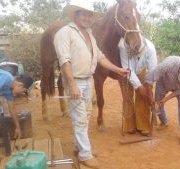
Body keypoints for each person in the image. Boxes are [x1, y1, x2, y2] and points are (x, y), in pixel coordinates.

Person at [53, 2, 129, 169]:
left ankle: (78, 148)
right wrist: (72, 85)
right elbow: (64, 61)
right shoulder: (64, 33)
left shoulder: (89, 33)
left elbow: (100, 57)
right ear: (75, 15)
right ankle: (85, 154)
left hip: (88, 80)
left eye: (89, 15)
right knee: (80, 118)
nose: (87, 18)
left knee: (85, 116)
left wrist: (118, 69)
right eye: (84, 14)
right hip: (75, 81)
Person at [145, 56, 180, 146]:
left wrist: (165, 100)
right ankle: (164, 122)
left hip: (179, 88)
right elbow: (149, 79)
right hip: (163, 82)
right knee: (157, 102)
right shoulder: (167, 65)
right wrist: (150, 97)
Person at [118, 37, 158, 136]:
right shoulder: (123, 45)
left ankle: (143, 125)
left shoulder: (150, 48)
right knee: (127, 97)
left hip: (142, 70)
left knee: (143, 97)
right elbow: (127, 69)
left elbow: (152, 71)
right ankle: (129, 125)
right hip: (125, 71)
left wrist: (148, 89)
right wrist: (139, 87)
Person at [0, 69, 33, 139]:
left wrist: (18, 127)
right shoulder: (7, 78)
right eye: (22, 92)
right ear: (21, 86)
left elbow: (12, 108)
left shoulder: (8, 90)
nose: (19, 94)